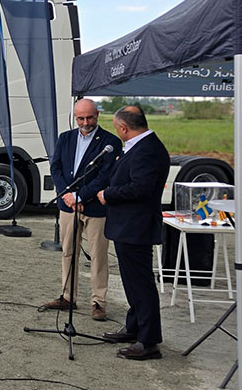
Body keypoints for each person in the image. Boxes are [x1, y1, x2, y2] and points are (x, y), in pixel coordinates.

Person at [97, 106, 170, 361]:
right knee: (131, 281)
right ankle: (134, 327)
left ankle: (149, 341)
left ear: (124, 128)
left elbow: (141, 188)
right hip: (127, 225)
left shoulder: (148, 150)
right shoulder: (139, 146)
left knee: (141, 283)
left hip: (136, 226)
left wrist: (108, 194)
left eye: (117, 128)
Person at [42, 98, 121, 321]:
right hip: (68, 206)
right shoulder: (65, 138)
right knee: (68, 252)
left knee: (98, 255)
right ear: (74, 117)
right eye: (80, 118)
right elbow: (55, 167)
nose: (85, 122)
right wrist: (68, 196)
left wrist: (80, 195)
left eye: (89, 117)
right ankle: (68, 296)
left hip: (95, 207)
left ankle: (98, 302)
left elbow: (106, 175)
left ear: (97, 114)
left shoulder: (110, 141)